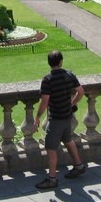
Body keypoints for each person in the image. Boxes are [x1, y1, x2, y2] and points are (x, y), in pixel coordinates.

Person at [33, 50, 87, 190]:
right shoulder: (69, 74)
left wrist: (37, 117)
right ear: (61, 61)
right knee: (68, 140)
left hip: (56, 118)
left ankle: (52, 179)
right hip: (67, 115)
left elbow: (44, 102)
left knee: (50, 148)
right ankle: (79, 165)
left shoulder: (48, 79)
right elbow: (80, 92)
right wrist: (72, 104)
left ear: (49, 63)